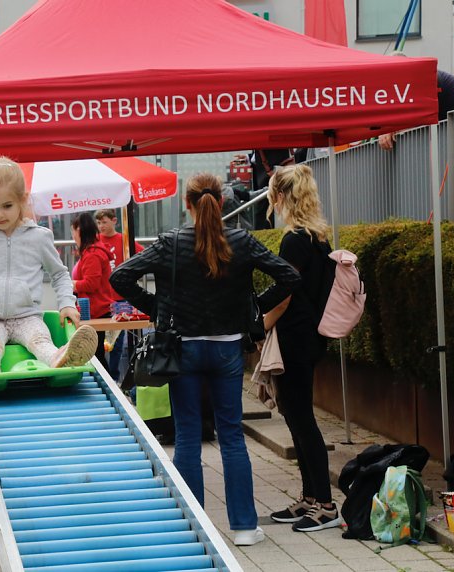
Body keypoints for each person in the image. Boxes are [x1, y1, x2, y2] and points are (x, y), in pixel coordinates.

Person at [110, 173, 300, 547]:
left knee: (186, 436)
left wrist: (159, 309)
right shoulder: (242, 241)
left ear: (188, 204)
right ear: (223, 202)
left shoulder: (171, 242)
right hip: (228, 348)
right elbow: (289, 277)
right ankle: (245, 527)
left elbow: (122, 276)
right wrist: (252, 311)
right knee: (231, 436)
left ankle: (194, 527)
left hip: (183, 347)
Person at [0, 156, 98, 375]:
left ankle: (62, 357)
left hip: (27, 315)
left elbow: (59, 275)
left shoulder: (39, 237)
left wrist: (67, 304)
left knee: (40, 339)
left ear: (22, 200)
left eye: (7, 205)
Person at [258, 164, 343, 533]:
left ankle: (324, 504)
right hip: (310, 336)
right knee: (296, 415)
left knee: (301, 418)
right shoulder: (317, 237)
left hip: (295, 337)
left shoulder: (294, 239)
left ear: (280, 196)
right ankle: (311, 498)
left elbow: (285, 290)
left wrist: (255, 317)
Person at [94, 208, 143, 379]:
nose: (101, 226)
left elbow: (143, 254)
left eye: (104, 222)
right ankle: (107, 375)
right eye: (99, 223)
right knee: (103, 342)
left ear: (114, 221)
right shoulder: (96, 241)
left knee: (119, 340)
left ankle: (115, 375)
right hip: (104, 300)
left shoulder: (124, 240)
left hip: (122, 298)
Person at [379, 70, 454, 150]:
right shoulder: (408, 87)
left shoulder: (427, 76)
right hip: (451, 128)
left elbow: (420, 114)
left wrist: (391, 129)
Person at [71, 212, 112, 368]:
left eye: (73, 231)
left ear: (79, 230)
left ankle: (108, 384)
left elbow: (91, 284)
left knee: (95, 355)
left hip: (95, 311)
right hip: (93, 310)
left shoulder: (92, 254)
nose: (73, 236)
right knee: (95, 353)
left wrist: (73, 284)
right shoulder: (91, 252)